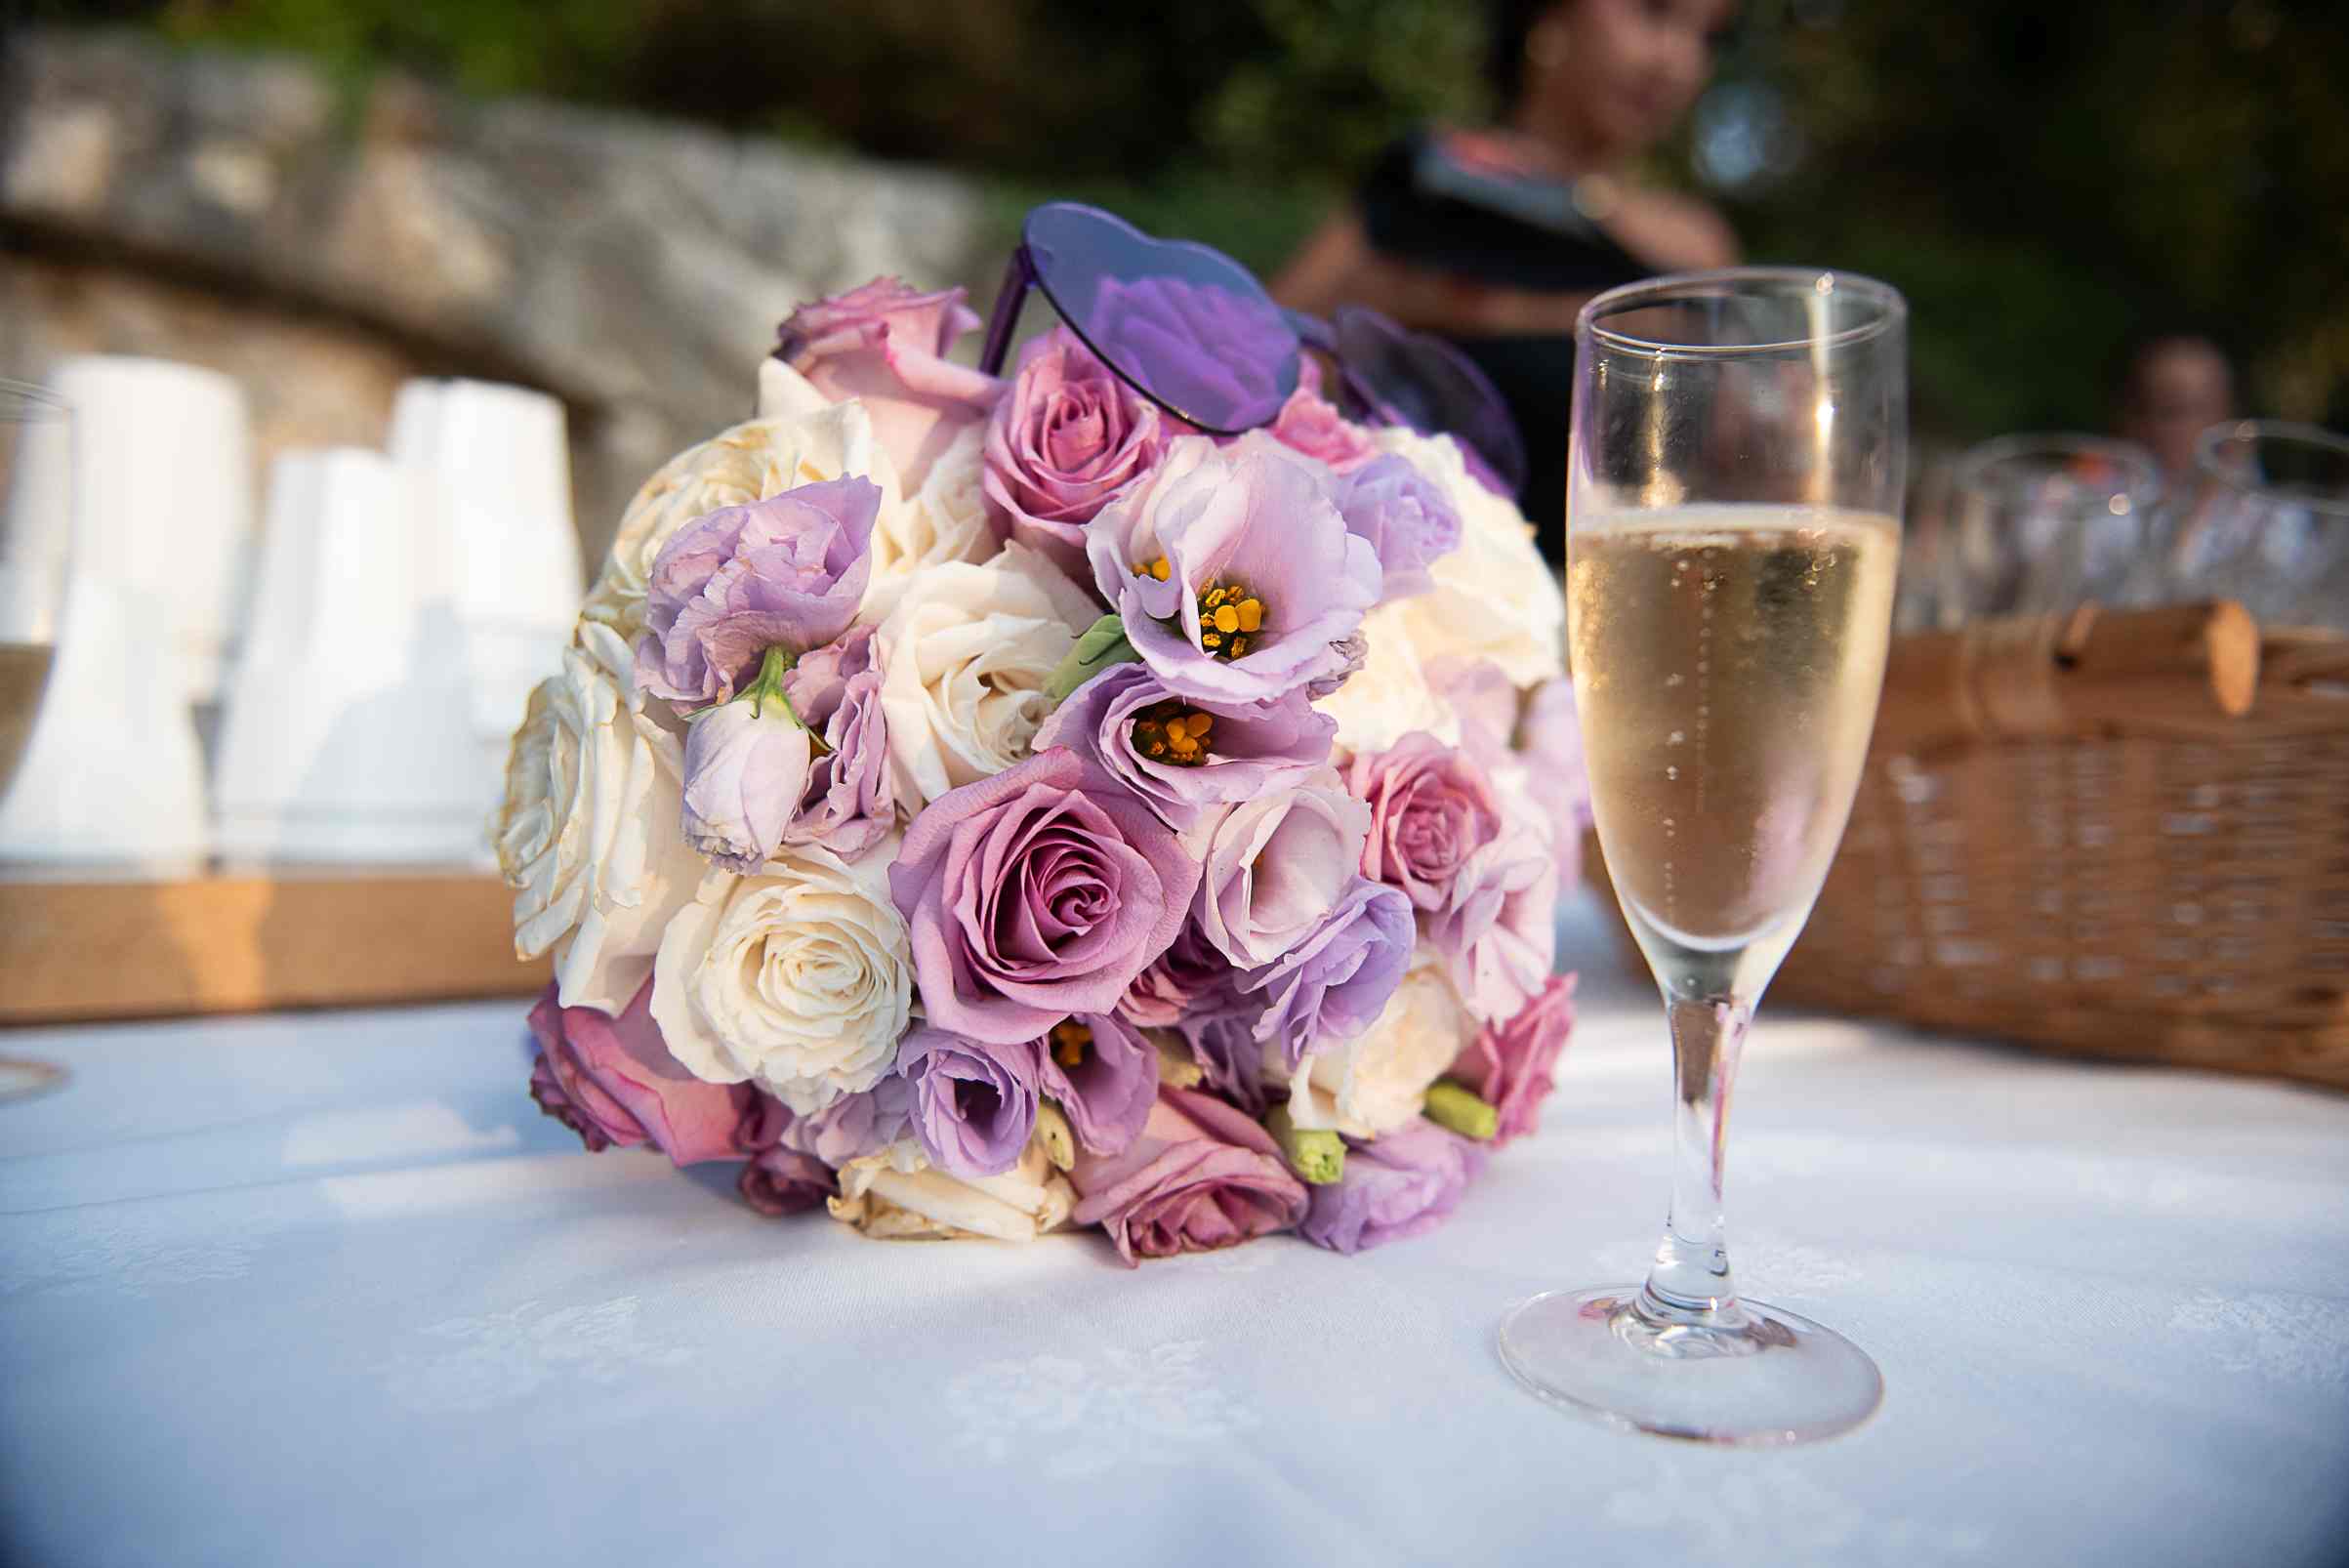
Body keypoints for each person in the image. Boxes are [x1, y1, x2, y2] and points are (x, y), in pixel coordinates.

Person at [1272, 0, 1741, 549]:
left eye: (1705, 37)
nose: (1677, 61)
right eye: (1652, 13)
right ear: (1549, 19)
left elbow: (1734, 459)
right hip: (1417, 575)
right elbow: (1270, 339)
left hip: (1622, 586)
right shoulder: (1436, 177)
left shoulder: (1695, 244)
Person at [2112, 331, 2236, 481]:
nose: (2154, 426)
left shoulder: (2259, 501)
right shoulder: (2097, 492)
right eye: (2141, 408)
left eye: (2175, 410)